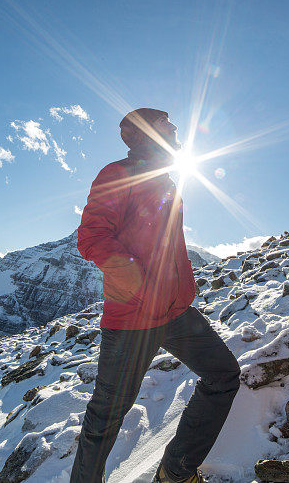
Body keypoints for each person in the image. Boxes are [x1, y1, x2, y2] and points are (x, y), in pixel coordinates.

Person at [71, 108, 241, 483]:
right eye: (167, 124)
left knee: (224, 375)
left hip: (175, 312)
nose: (176, 128)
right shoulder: (117, 174)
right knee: (105, 417)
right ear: (147, 132)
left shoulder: (166, 179)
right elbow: (91, 236)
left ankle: (175, 472)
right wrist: (136, 280)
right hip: (133, 317)